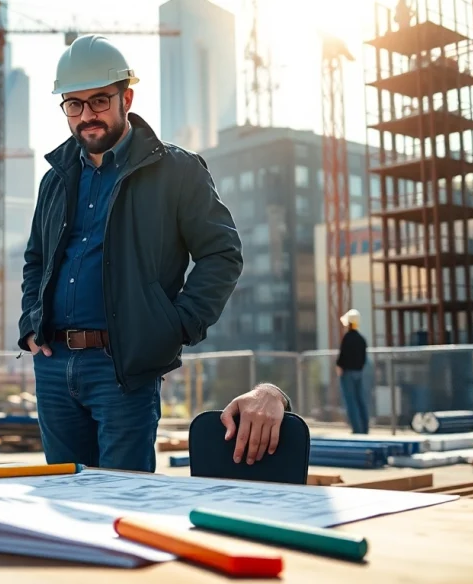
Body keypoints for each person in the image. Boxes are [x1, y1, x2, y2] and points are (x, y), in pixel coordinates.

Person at [19, 34, 292, 473]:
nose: (87, 115)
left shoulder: (176, 171)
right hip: (53, 366)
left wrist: (175, 326)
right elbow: (37, 259)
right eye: (74, 104)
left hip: (122, 369)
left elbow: (222, 253)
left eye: (100, 101)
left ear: (126, 96)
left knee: (123, 499)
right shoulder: (55, 178)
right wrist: (31, 323)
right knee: (64, 501)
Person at [335, 309, 369, 434]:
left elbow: (342, 356)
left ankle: (357, 429)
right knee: (360, 400)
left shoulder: (347, 338)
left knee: (351, 402)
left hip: (347, 373)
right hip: (359, 373)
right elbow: (364, 358)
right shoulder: (361, 339)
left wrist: (340, 367)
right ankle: (365, 428)